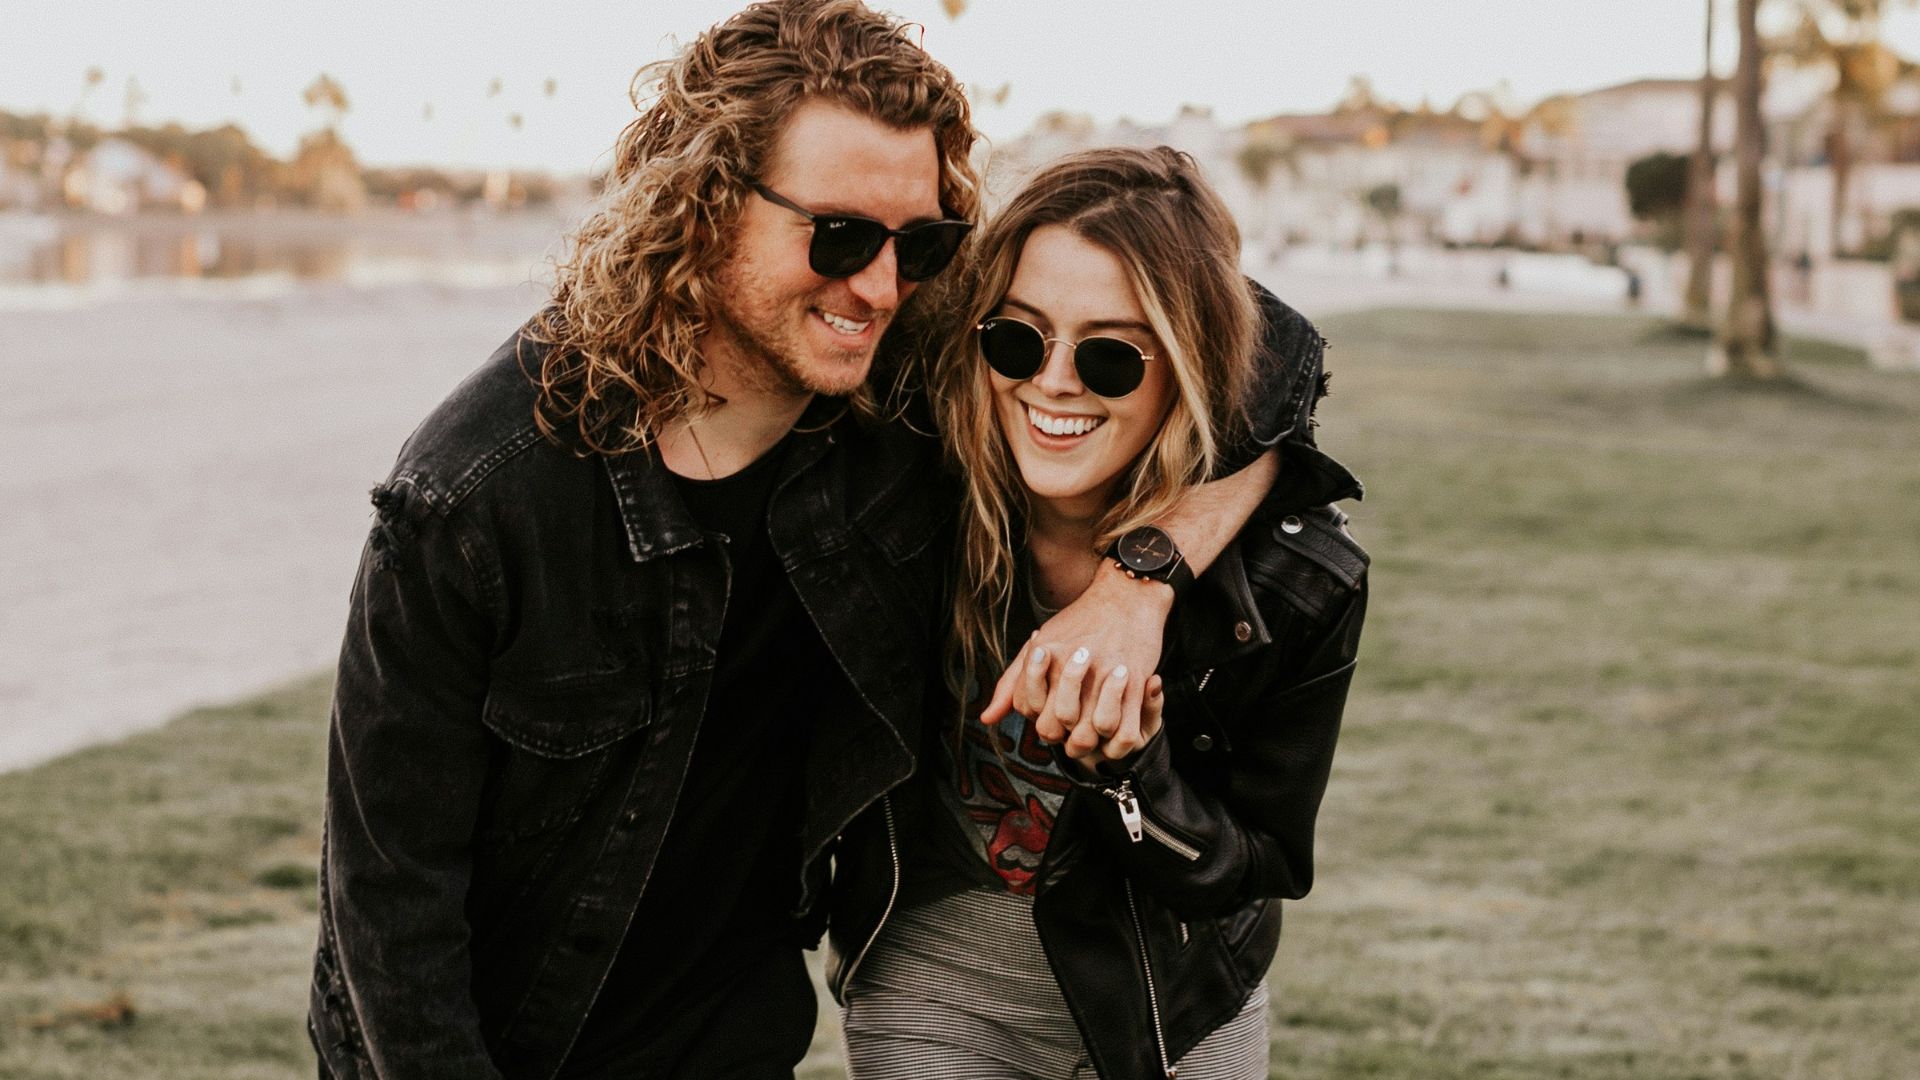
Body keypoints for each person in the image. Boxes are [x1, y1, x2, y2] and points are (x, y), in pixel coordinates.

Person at [307, 4, 1293, 1079]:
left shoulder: (893, 399)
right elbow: (389, 904)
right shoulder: (474, 498)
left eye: (918, 244)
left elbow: (1272, 366)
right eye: (838, 236)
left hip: (731, 1046)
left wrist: (1136, 586)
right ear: (704, 205)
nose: (877, 286)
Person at [829, 147, 1369, 1080]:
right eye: (1018, 338)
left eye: (1112, 354)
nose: (1054, 382)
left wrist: (1130, 768)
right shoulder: (914, 484)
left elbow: (1258, 864)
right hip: (936, 982)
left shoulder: (1297, 582)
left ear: (1189, 366)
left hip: (1175, 1006)